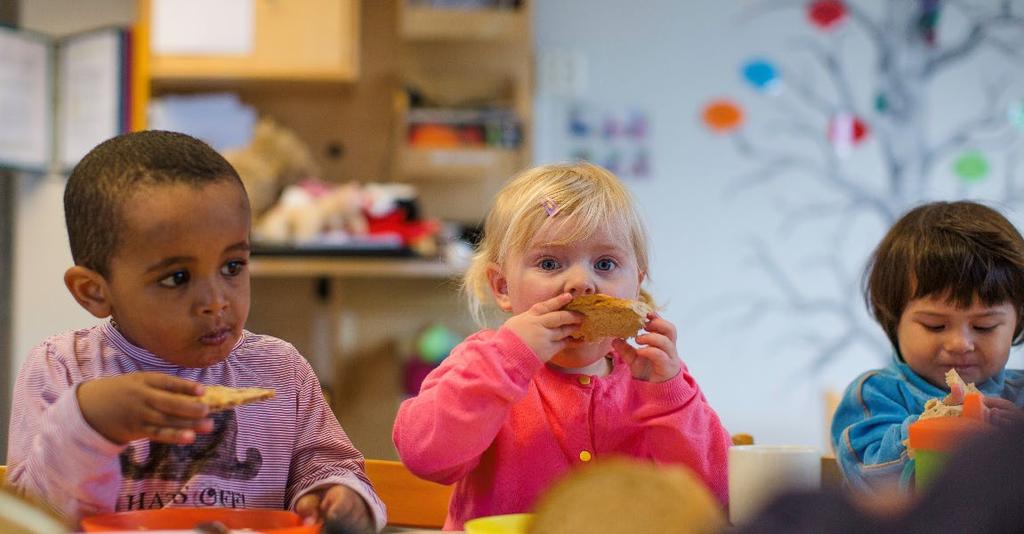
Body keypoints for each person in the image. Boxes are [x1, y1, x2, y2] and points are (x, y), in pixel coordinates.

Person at [6, 130, 384, 532]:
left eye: (233, 267)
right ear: (94, 292)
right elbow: (32, 521)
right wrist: (87, 422)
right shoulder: (63, 369)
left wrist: (339, 496)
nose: (216, 301)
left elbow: (329, 466)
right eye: (178, 277)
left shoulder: (280, 369)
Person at [392, 162, 730, 529]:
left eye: (605, 263)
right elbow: (425, 455)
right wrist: (509, 359)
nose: (581, 282)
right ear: (503, 287)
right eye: (550, 263)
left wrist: (670, 396)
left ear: (636, 283)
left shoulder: (655, 380)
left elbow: (718, 497)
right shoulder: (486, 363)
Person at [831, 200, 1024, 493]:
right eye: (935, 325)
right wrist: (932, 429)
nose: (960, 344)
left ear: (1017, 322)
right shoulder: (876, 395)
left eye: (984, 326)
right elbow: (867, 477)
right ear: (894, 319)